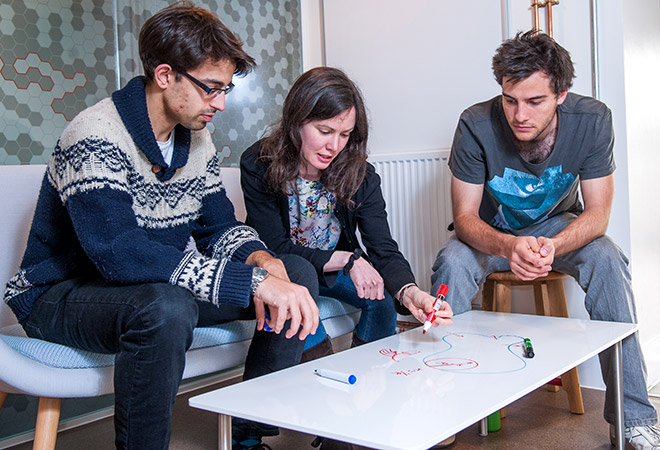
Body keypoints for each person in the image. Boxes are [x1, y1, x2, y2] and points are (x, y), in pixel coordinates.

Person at [2, 3, 320, 450]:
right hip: (62, 294)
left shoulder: (198, 141)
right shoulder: (94, 135)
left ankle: (248, 438)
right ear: (166, 75)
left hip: (148, 287)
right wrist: (247, 281)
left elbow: (218, 228)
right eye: (211, 88)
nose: (221, 103)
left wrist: (263, 263)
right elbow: (118, 252)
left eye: (225, 88)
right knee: (166, 307)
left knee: (296, 272)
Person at [431, 30, 660, 450]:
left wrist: (552, 247)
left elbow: (598, 215)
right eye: (510, 99)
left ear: (561, 94)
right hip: (492, 236)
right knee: (452, 262)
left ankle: (634, 418)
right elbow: (464, 219)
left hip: (559, 229)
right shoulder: (474, 124)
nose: (520, 114)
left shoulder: (592, 120)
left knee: (608, 258)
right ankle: (445, 411)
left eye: (535, 101)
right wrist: (506, 246)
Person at [239, 66, 453, 367]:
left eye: (344, 135)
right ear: (296, 120)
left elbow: (382, 247)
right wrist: (348, 260)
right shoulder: (258, 162)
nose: (334, 146)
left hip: (331, 268)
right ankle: (326, 386)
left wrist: (410, 292)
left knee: (380, 300)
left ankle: (370, 377)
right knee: (299, 296)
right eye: (324, 132)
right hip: (288, 269)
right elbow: (273, 246)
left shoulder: (360, 174)